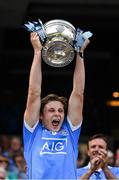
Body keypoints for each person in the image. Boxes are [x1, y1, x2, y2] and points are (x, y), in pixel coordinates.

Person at [23, 31, 90, 179]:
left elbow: (78, 92)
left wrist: (80, 52)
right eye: (51, 110)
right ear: (41, 115)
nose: (57, 114)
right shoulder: (33, 133)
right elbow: (33, 93)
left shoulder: (70, 132)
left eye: (60, 111)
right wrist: (37, 51)